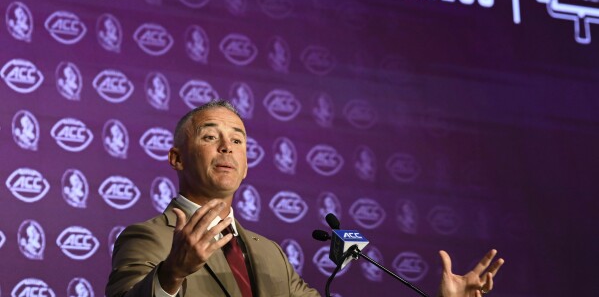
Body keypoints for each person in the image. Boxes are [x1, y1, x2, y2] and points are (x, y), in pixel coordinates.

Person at [106, 100, 504, 297]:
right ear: (176, 158)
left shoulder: (268, 255)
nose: (227, 147)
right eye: (210, 136)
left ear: (247, 165)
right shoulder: (150, 238)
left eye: (238, 141)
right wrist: (172, 274)